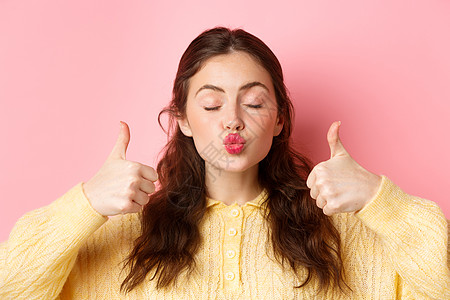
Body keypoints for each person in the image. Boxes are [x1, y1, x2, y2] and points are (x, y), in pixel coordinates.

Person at [0, 27, 448, 299]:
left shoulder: (347, 232)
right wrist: (84, 204)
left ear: (278, 120)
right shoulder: (123, 233)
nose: (232, 121)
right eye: (212, 104)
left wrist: (379, 199)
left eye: (253, 102)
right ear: (184, 120)